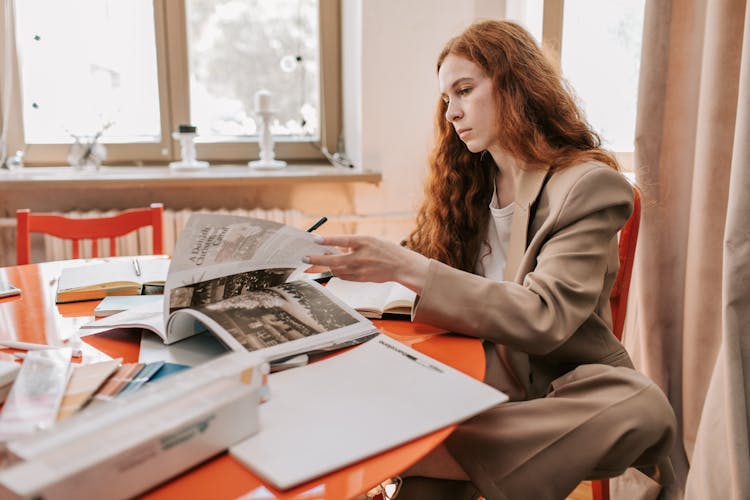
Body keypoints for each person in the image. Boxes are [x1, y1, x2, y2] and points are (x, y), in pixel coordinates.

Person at [304, 20, 676, 500]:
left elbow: (545, 317)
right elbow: (430, 263)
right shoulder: (467, 183)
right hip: (474, 373)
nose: (453, 112)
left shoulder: (586, 185)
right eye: (446, 99)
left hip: (553, 386)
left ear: (517, 84)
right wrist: (354, 262)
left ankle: (420, 447)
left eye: (464, 90)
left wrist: (403, 266)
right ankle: (435, 449)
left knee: (644, 407)